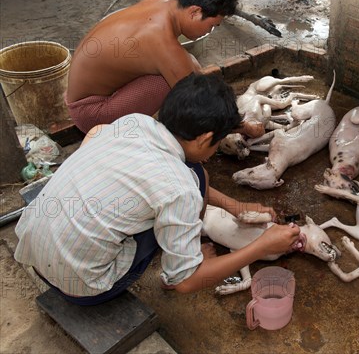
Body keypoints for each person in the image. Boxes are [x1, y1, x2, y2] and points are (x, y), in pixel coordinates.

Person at [14, 73, 301, 305]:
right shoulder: (180, 187)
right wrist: (261, 246)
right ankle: (185, 257)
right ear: (206, 139)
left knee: (189, 179)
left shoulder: (134, 122)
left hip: (33, 250)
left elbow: (106, 145)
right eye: (218, 141)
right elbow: (186, 283)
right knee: (196, 178)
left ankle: (184, 248)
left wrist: (236, 207)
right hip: (82, 287)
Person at [65, 0, 263, 137]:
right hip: (90, 113)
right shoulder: (159, 41)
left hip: (86, 94)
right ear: (195, 12)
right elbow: (200, 104)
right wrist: (244, 128)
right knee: (171, 85)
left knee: (188, 62)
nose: (211, 30)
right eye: (213, 25)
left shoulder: (160, 2)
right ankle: (136, 135)